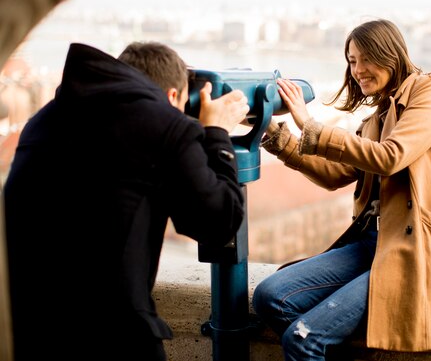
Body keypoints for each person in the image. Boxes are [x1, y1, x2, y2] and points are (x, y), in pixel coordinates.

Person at [3, 41, 250, 361]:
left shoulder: (46, 120)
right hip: (113, 334)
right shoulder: (164, 125)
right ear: (173, 97)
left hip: (26, 327)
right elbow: (217, 222)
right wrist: (216, 132)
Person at [252, 19, 431, 360]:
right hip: (371, 243)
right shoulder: (374, 119)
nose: (357, 70)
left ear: (389, 54)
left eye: (364, 59)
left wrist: (309, 124)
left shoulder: (430, 92)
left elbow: (390, 157)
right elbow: (335, 174)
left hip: (413, 248)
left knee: (302, 339)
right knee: (270, 296)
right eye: (352, 61)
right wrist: (276, 136)